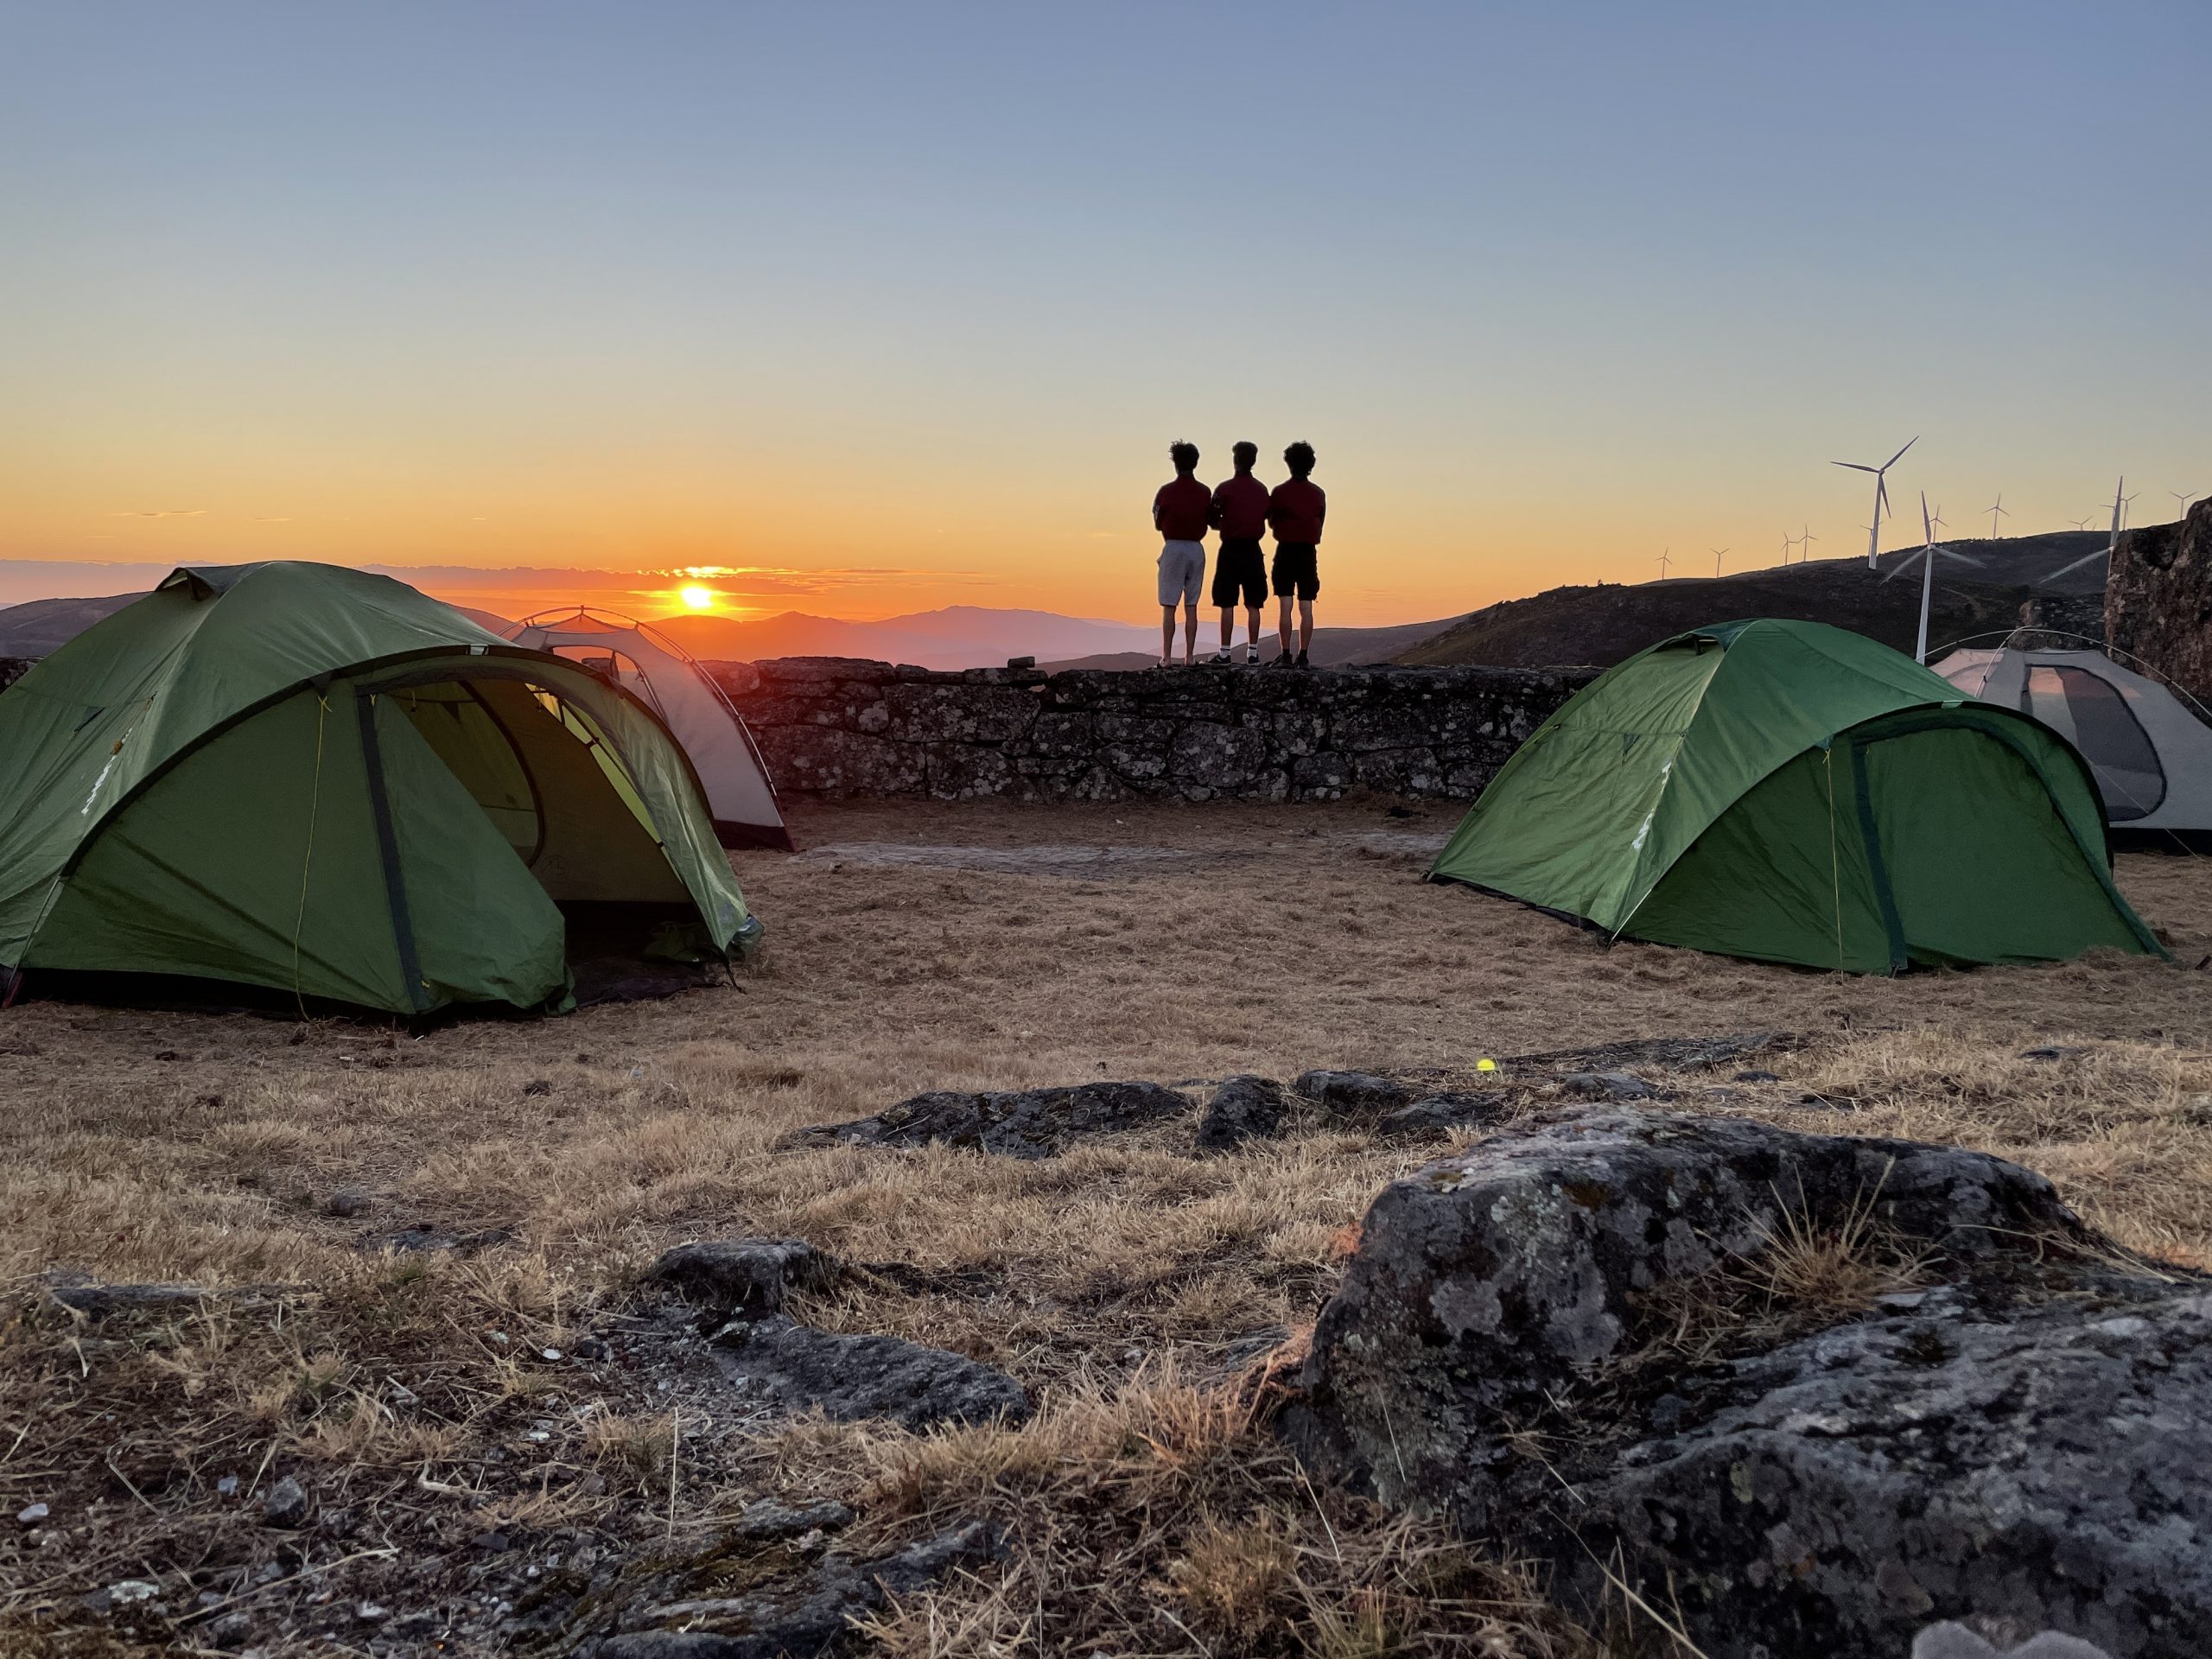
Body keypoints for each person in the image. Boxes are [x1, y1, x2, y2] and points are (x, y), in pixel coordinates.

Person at [1206, 441, 1269, 664]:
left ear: (1235, 460)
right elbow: (1266, 516)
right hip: (1253, 549)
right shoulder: (1262, 490)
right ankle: (1253, 652)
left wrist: (1226, 524)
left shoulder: (1224, 489)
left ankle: (1225, 652)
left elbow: (1211, 519)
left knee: (1226, 602)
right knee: (1254, 603)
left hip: (1231, 549)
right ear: (1254, 461)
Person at [1268, 440, 1325, 668]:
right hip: (1308, 552)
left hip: (1286, 549)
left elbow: (1272, 521)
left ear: (1289, 463)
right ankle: (1303, 655)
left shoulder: (1280, 492)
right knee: (1306, 605)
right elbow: (1320, 521)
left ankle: (1286, 654)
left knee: (1285, 604)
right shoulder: (1318, 494)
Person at [1152, 440, 1210, 665]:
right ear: (1195, 464)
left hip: (1174, 547)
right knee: (1192, 605)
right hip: (1196, 548)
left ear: (1175, 464)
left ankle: (1166, 657)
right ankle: (1190, 657)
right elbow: (1212, 519)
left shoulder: (1165, 492)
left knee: (1169, 605)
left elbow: (1157, 522)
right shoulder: (1205, 492)